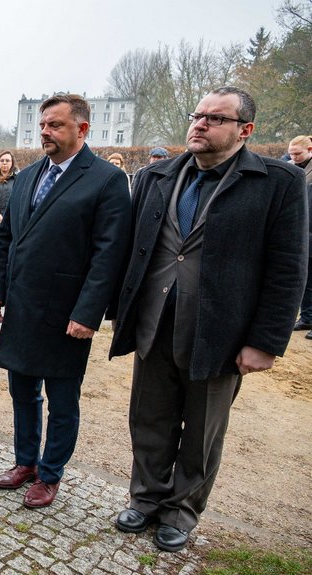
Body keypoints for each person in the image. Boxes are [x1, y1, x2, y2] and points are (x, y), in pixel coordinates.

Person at [108, 87, 307, 552]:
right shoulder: (156, 175)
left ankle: (181, 510)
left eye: (215, 119)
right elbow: (135, 249)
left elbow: (288, 266)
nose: (200, 124)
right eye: (198, 115)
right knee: (149, 418)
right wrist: (119, 311)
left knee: (202, 430)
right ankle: (147, 497)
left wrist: (266, 340)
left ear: (245, 130)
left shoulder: (277, 181)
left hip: (219, 331)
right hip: (154, 321)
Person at [0, 93, 132, 509]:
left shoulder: (105, 179)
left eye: (55, 125)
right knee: (22, 392)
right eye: (43, 124)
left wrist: (88, 312)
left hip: (68, 312)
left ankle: (50, 475)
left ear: (82, 129)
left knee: (62, 400)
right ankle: (25, 462)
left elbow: (109, 254)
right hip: (23, 306)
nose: (45, 131)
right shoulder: (29, 175)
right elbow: (8, 238)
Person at [287, 135, 312, 338]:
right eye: (291, 153)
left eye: (298, 153)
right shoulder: (293, 169)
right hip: (305, 232)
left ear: (310, 149)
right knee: (307, 279)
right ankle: (308, 317)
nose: (294, 157)